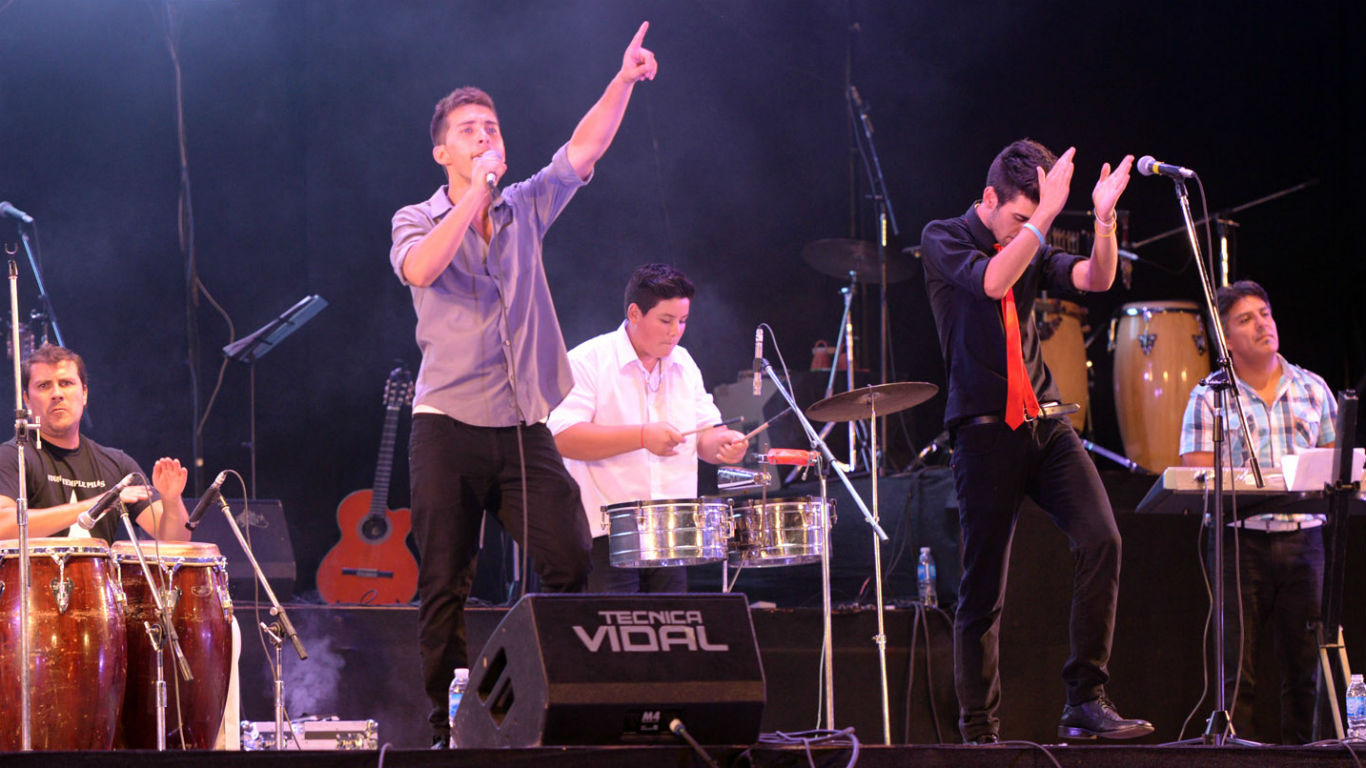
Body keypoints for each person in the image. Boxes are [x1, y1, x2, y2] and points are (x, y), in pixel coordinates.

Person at [388, 23, 658, 747]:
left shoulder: (527, 205)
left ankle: (539, 699)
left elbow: (583, 149)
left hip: (521, 423)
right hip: (446, 425)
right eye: (468, 130)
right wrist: (474, 196)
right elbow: (422, 269)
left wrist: (623, 81)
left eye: (493, 128)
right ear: (442, 152)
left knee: (569, 556)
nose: (485, 137)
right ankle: (446, 727)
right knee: (444, 579)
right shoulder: (416, 218)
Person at [921, 139, 1152, 744]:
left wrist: (1103, 221)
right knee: (984, 588)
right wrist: (1044, 215)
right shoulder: (944, 237)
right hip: (984, 433)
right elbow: (992, 282)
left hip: (1043, 421)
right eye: (1022, 216)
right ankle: (980, 731)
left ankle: (1085, 698)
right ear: (989, 198)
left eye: (1036, 216)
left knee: (1103, 539)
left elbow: (1096, 278)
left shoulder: (1030, 237)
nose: (1031, 227)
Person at [1179, 279, 1336, 744]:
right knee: (1236, 676)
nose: (1262, 324)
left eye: (1264, 314)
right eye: (1246, 320)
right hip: (1238, 540)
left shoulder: (1313, 388)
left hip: (1304, 539)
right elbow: (1196, 474)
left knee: (1306, 671)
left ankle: (1305, 755)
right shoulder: (1208, 396)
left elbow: (1334, 469)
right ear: (1227, 340)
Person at [547, 263, 748, 593]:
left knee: (670, 624)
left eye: (683, 321)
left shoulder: (684, 363)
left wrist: (724, 443)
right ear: (634, 313)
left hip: (672, 532)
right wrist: (642, 436)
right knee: (614, 624)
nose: (675, 332)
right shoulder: (588, 361)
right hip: (607, 534)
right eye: (666, 321)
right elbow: (562, 437)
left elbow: (706, 435)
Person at [0, 344, 190, 543]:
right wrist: (102, 502)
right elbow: (3, 525)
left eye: (66, 383)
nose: (57, 394)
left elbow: (176, 540)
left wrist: (171, 500)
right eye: (44, 386)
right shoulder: (12, 456)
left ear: (84, 394)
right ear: (27, 400)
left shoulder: (118, 464)